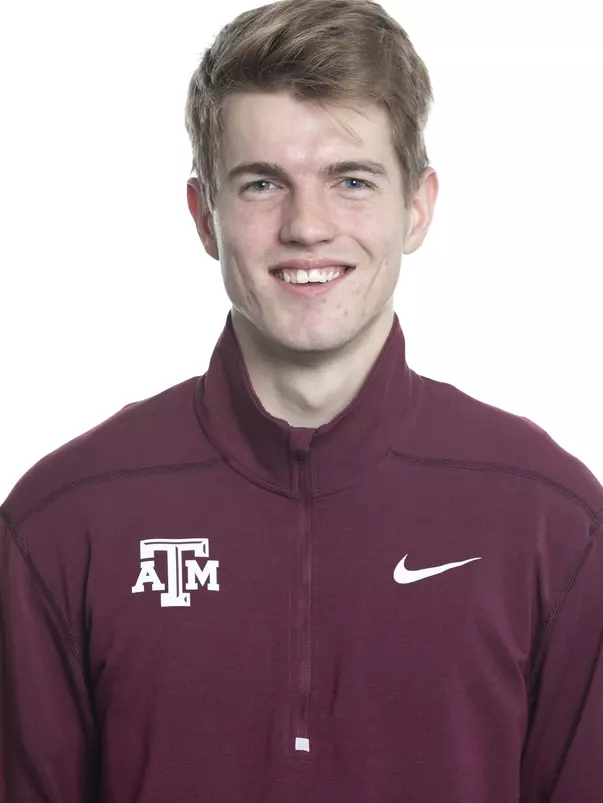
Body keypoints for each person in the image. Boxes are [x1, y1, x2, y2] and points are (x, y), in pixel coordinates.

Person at [1, 0, 602, 800]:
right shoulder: (63, 519)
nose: (306, 226)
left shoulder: (550, 518)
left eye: (350, 181)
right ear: (204, 217)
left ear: (417, 207)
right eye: (262, 184)